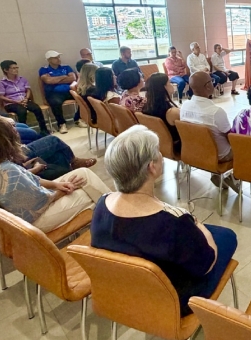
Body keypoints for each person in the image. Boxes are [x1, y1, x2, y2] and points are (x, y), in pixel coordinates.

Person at [90, 125, 238, 316]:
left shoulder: (102, 205)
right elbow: (207, 265)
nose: (161, 155)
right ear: (152, 167)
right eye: (158, 152)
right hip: (174, 300)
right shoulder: (174, 222)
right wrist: (197, 223)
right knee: (227, 236)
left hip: (128, 291)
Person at [0, 116, 109, 232]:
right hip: (35, 222)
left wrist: (56, 185)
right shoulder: (5, 172)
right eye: (12, 131)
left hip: (24, 213)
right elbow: (37, 205)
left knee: (83, 174)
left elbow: (29, 179)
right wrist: (62, 191)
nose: (16, 133)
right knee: (90, 192)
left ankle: (112, 214)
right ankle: (114, 216)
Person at [0, 99, 96, 178]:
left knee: (57, 154)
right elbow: (3, 169)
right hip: (10, 164)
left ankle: (67, 173)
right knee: (53, 141)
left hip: (8, 162)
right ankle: (72, 164)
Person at [180, 72, 240, 191]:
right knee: (246, 149)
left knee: (213, 139)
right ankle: (234, 177)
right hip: (220, 156)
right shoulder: (215, 112)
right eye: (212, 81)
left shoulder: (184, 106)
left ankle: (216, 174)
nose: (213, 83)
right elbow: (230, 138)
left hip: (196, 152)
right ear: (207, 86)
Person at [0, 60, 50, 136]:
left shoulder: (22, 79)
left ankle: (44, 130)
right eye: (13, 68)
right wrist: (15, 101)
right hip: (11, 103)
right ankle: (24, 133)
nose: (16, 70)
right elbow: (1, 96)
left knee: (36, 108)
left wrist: (26, 98)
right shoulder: (1, 83)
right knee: (22, 111)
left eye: (17, 67)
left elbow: (28, 90)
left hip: (24, 100)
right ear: (6, 70)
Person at [39, 50, 84, 134]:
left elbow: (73, 78)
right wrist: (64, 76)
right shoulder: (44, 69)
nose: (58, 59)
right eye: (55, 58)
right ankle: (61, 124)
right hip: (54, 93)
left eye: (58, 57)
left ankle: (78, 118)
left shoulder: (66, 67)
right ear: (49, 60)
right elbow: (48, 81)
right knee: (55, 102)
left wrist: (54, 79)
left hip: (69, 90)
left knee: (84, 96)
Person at [142, 73, 181, 152]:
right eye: (169, 83)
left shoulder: (146, 106)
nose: (172, 85)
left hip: (159, 144)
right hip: (176, 146)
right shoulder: (171, 112)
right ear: (163, 87)